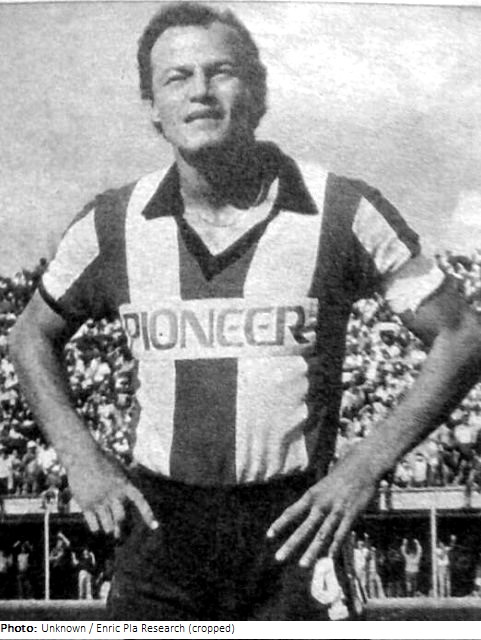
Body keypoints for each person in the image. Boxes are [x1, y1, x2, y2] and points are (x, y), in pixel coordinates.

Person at [8, 1, 481, 621]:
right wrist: (80, 458)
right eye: (176, 77)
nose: (200, 91)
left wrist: (365, 467)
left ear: (258, 92)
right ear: (152, 107)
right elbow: (30, 336)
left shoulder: (341, 209)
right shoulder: (111, 223)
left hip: (294, 525)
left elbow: (462, 334)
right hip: (161, 530)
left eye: (221, 71)